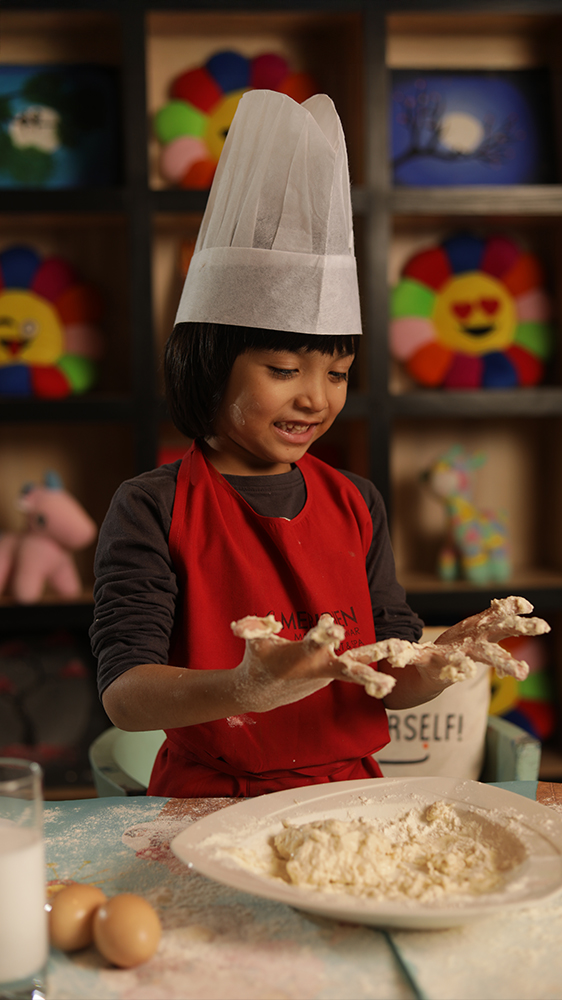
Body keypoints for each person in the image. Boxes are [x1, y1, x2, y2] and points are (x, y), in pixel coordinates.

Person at [90, 91, 533, 798]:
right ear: (210, 363)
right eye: (284, 370)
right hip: (205, 800)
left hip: (354, 796)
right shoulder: (152, 506)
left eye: (338, 373)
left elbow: (389, 681)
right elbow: (124, 694)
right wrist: (246, 687)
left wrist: (437, 660)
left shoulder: (357, 502)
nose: (316, 397)